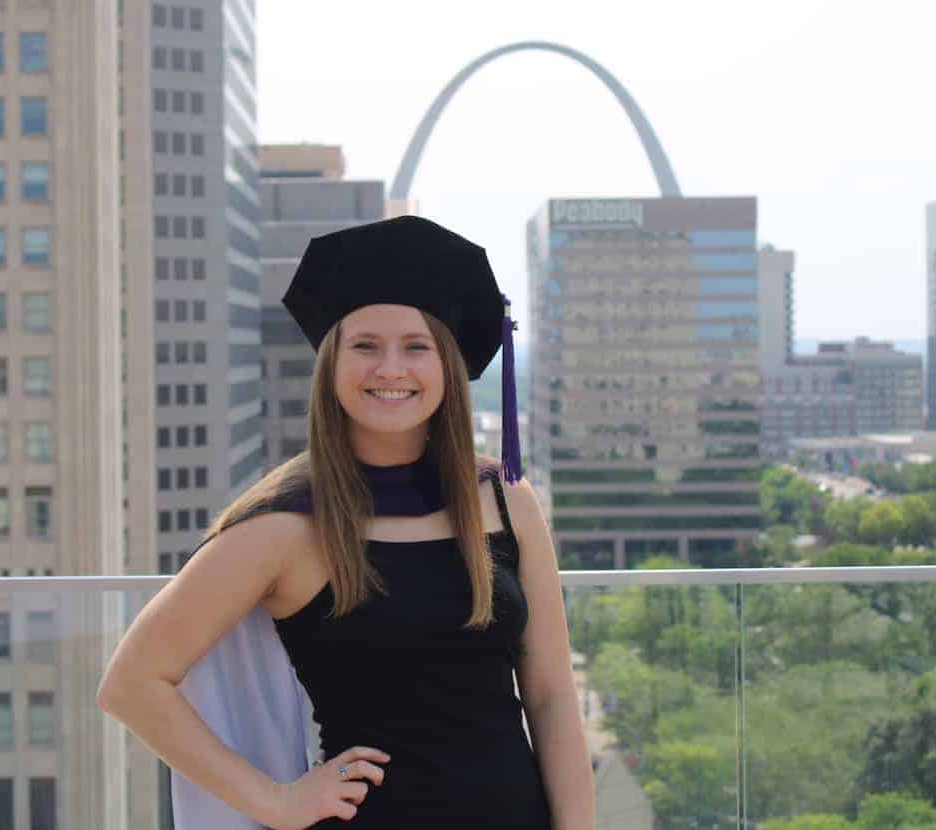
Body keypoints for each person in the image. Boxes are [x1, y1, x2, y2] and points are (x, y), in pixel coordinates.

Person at [98, 216, 594, 829]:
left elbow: (548, 695)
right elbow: (131, 683)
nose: (390, 368)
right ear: (332, 365)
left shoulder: (505, 500)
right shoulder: (284, 527)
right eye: (365, 346)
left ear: (447, 364)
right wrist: (275, 803)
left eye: (416, 346)